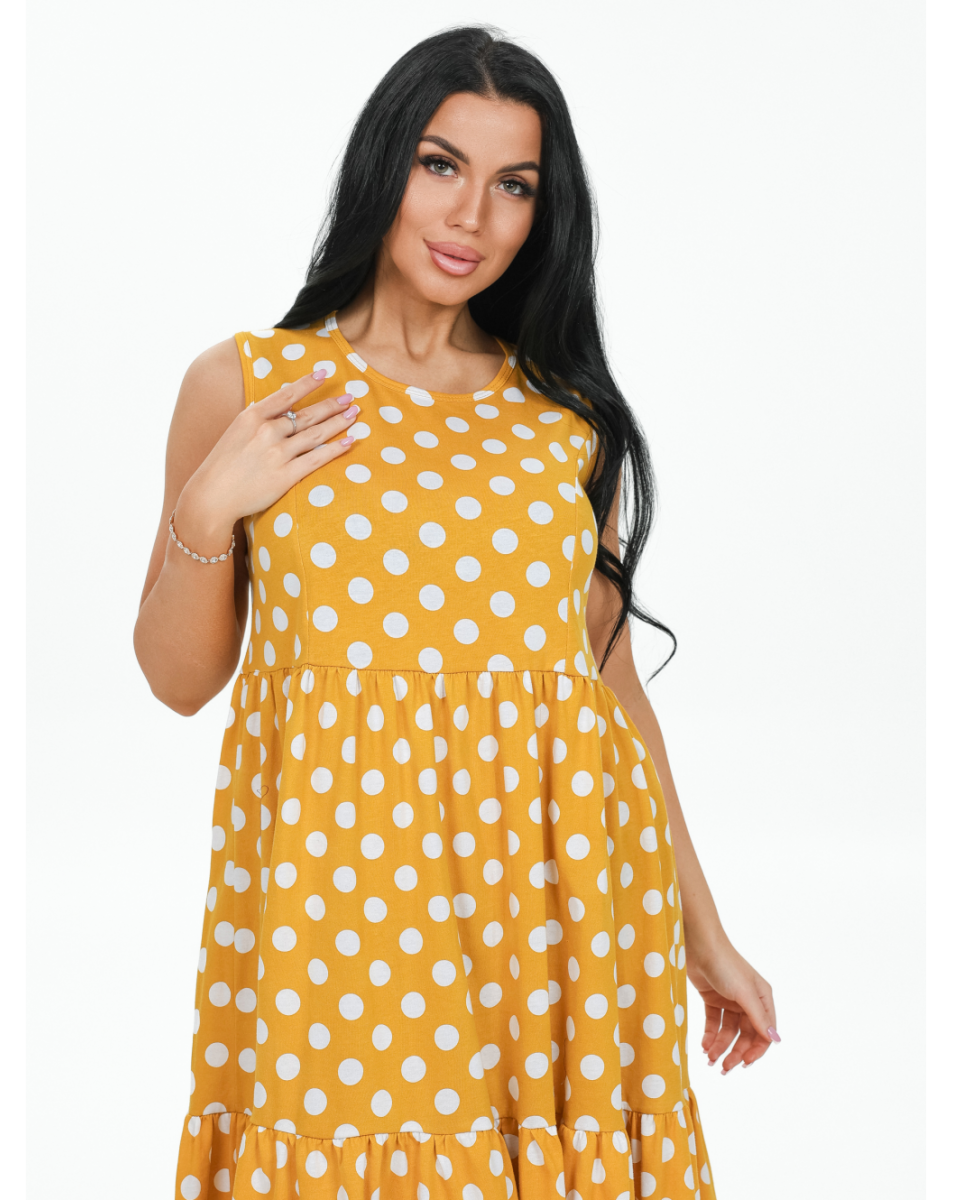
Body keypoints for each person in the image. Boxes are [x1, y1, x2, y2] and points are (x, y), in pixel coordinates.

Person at [135, 25, 779, 1200]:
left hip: (554, 903)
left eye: (513, 185)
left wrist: (706, 936)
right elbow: (179, 683)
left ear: (543, 211)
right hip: (343, 899)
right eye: (441, 165)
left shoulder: (563, 423)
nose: (471, 216)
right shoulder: (248, 387)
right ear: (383, 166)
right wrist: (209, 506)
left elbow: (608, 688)